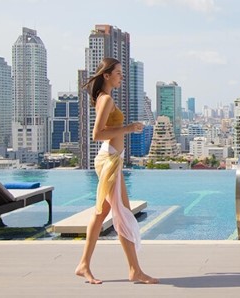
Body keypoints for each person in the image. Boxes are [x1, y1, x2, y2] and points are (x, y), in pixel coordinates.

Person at [74, 57, 158, 284]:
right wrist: (129, 128)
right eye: (119, 73)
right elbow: (97, 134)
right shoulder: (107, 99)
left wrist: (125, 129)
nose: (122, 76)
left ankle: (89, 265)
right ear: (107, 75)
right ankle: (133, 270)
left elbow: (108, 129)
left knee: (110, 213)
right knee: (119, 212)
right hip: (109, 160)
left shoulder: (105, 98)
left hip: (113, 160)